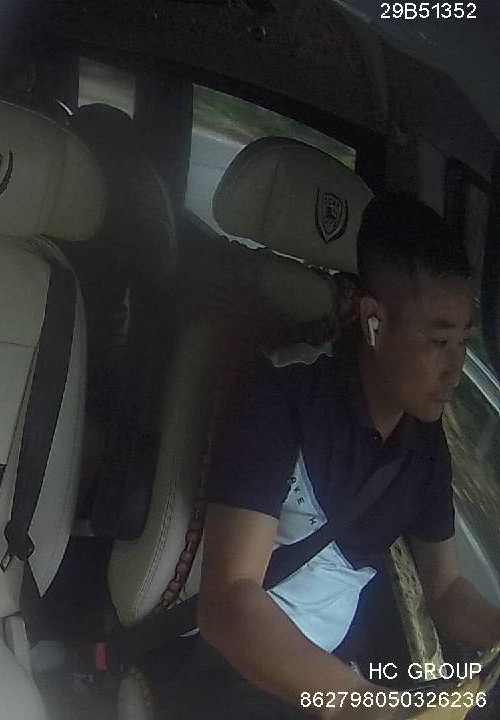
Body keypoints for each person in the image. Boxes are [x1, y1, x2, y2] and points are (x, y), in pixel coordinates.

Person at [172, 195, 500, 719]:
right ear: (374, 322)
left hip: (339, 671)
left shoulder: (424, 443)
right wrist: (359, 705)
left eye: (463, 341)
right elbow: (229, 601)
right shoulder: (281, 397)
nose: (456, 369)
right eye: (439, 342)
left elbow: (447, 591)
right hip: (240, 670)